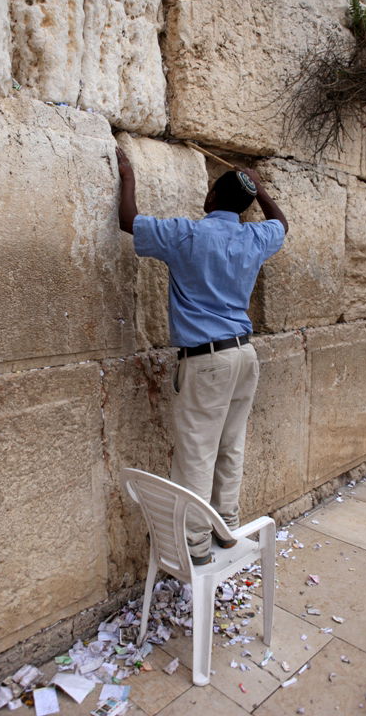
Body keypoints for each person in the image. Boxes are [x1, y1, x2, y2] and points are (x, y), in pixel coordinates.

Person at [117, 146, 288, 564]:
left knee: (197, 453)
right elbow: (281, 224)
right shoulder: (254, 236)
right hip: (244, 357)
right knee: (231, 446)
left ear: (210, 198)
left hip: (206, 359)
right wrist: (259, 189)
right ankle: (225, 528)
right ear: (247, 207)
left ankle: (194, 544)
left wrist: (128, 175)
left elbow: (127, 221)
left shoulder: (186, 235)